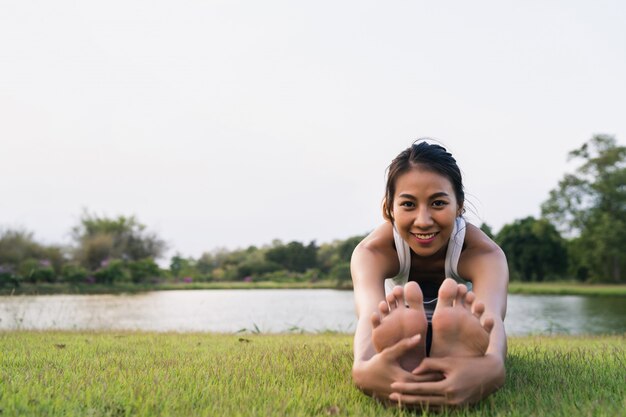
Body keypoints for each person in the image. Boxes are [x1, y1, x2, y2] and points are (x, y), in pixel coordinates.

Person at [350, 140, 508, 407]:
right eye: (408, 205)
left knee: (472, 324)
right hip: (400, 326)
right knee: (390, 323)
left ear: (459, 206)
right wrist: (363, 368)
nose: (423, 220)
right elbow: (369, 316)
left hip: (462, 328)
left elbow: (492, 318)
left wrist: (492, 368)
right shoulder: (372, 251)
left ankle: (451, 352)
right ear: (389, 208)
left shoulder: (483, 253)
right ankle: (413, 349)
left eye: (437, 203)